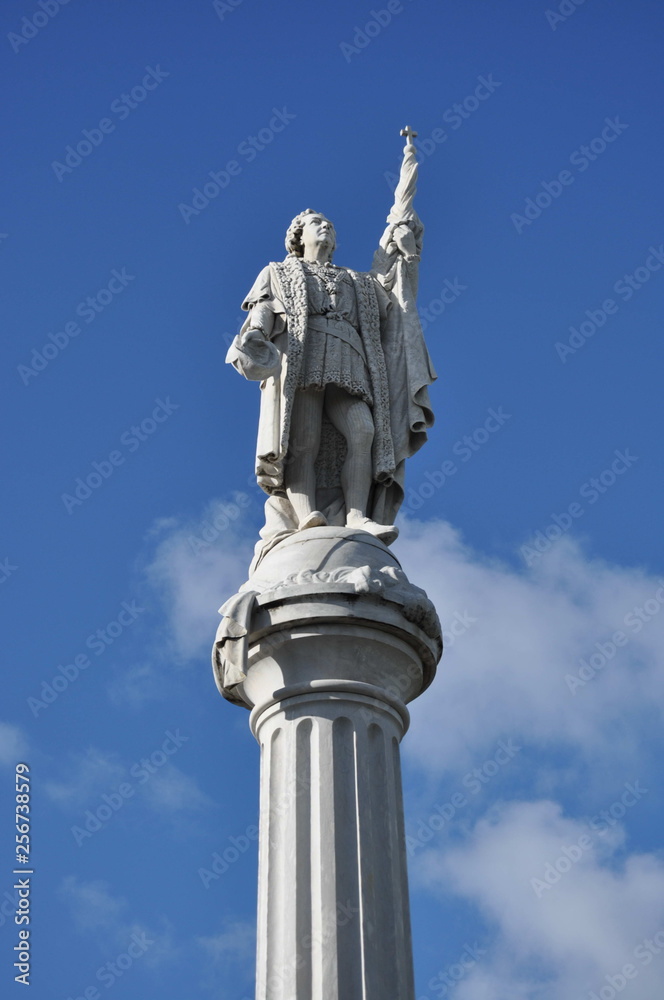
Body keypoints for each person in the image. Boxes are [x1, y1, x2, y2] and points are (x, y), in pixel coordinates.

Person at [226, 143, 436, 558]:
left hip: (351, 359)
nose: (326, 227)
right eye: (316, 223)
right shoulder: (279, 271)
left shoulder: (357, 281)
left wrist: (401, 241)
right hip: (303, 353)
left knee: (363, 431)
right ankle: (306, 514)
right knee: (303, 439)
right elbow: (266, 307)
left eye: (330, 225)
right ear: (297, 236)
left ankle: (357, 514)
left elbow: (389, 283)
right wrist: (257, 333)